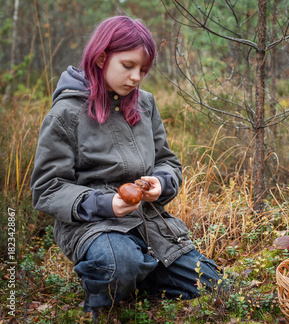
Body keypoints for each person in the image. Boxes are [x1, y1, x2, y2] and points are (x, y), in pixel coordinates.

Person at [30, 16, 222, 317]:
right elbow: (47, 188)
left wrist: (162, 182)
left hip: (148, 224)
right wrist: (106, 203)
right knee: (117, 263)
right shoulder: (65, 113)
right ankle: (110, 286)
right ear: (102, 56)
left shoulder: (145, 104)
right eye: (128, 66)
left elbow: (166, 160)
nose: (135, 77)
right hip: (92, 226)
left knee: (211, 284)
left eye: (143, 70)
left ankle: (134, 277)